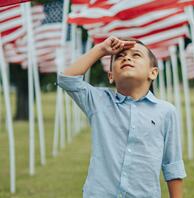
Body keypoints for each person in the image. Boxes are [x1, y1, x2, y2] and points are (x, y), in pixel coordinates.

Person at [57, 36, 186, 198]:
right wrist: (102, 49)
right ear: (111, 76)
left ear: (152, 73)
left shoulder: (166, 111)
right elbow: (66, 79)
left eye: (136, 55)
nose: (127, 58)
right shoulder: (99, 101)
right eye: (119, 56)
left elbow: (172, 164)